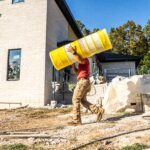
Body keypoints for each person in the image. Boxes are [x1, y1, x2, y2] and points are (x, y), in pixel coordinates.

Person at [67, 45, 104, 125]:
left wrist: (73, 52)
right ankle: (98, 111)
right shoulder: (81, 62)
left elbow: (80, 60)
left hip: (83, 81)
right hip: (84, 81)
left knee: (75, 99)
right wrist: (73, 64)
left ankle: (76, 120)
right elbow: (77, 71)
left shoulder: (85, 59)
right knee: (83, 101)